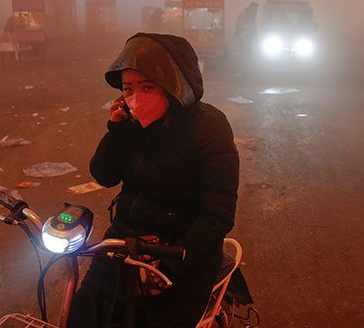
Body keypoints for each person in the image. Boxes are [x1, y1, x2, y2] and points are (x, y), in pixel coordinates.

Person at [68, 33, 239, 327]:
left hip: (181, 257)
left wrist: (171, 265)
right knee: (83, 316)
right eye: (128, 89)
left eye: (147, 87)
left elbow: (218, 214)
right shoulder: (133, 125)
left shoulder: (209, 127)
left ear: (175, 86)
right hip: (123, 246)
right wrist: (117, 132)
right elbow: (103, 175)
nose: (136, 98)